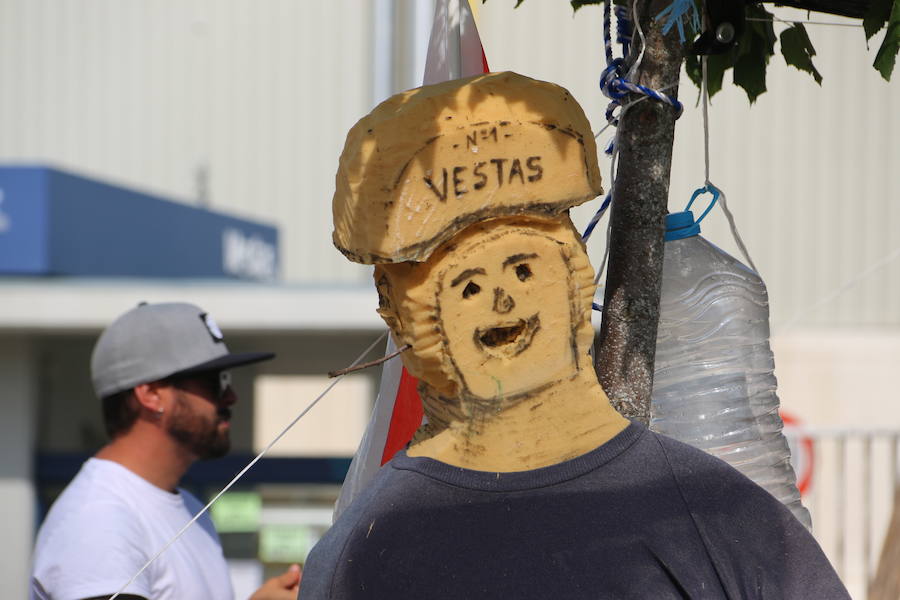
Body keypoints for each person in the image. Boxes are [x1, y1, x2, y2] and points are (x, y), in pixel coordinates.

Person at [297, 72, 850, 598]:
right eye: (467, 287)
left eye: (523, 270)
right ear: (401, 315)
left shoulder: (721, 513)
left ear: (575, 280)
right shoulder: (363, 554)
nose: (502, 300)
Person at [30, 302, 301, 600]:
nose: (232, 397)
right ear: (151, 394)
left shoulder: (190, 508)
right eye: (216, 382)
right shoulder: (98, 517)